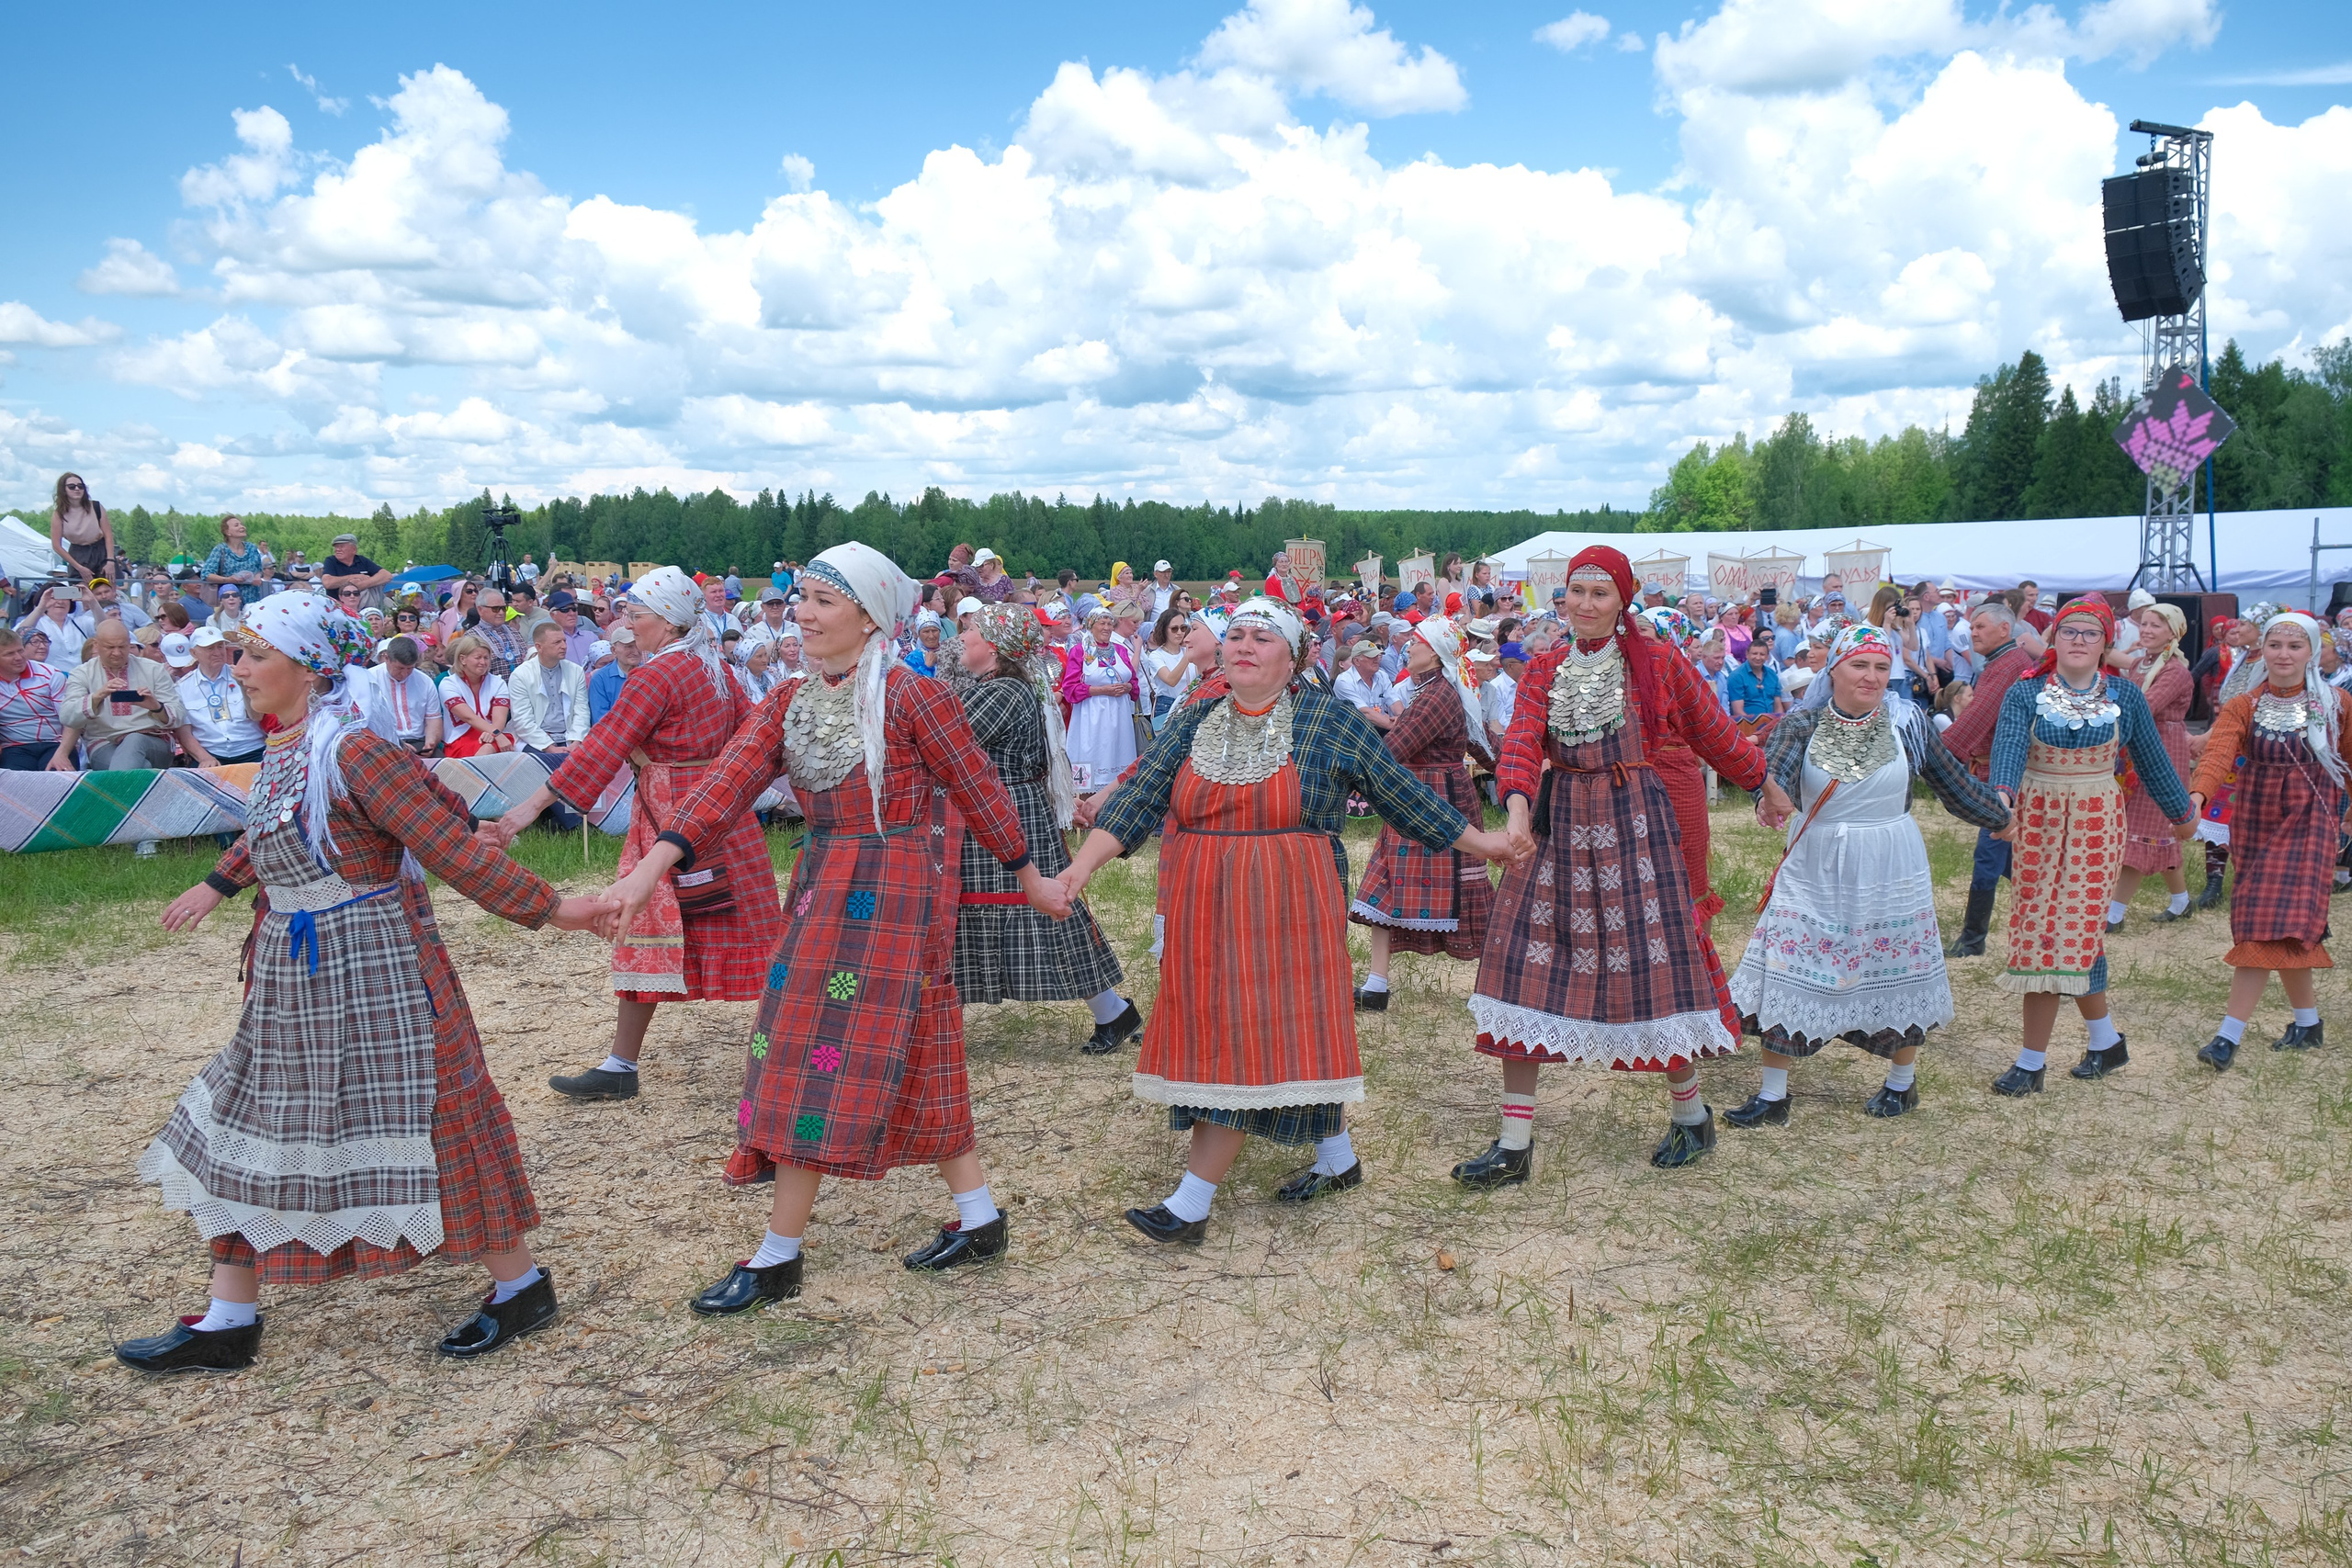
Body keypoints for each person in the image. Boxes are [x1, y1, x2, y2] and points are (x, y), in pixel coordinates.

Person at [119, 592, 613, 1372]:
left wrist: (560, 909)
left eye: (254, 654)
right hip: (296, 972)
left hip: (378, 968)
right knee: (254, 1118)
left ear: (306, 667)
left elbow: (442, 840)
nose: (238, 667)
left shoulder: (351, 750)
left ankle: (520, 1285)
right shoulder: (289, 747)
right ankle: (228, 1315)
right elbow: (281, 829)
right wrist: (218, 883)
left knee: (439, 1116)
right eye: (240, 654)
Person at [597, 543, 1066, 1312]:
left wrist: (1031, 877)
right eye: (803, 597)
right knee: (908, 1043)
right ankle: (979, 1217)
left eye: (822, 600)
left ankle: (780, 1253)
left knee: (806, 1049)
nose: (803, 614)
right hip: (823, 886)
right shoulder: (788, 699)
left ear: (869, 614)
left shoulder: (914, 698)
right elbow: (724, 788)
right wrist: (647, 871)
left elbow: (980, 793)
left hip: (902, 888)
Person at [1057, 597, 1517, 1238]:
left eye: (1262, 638)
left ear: (1296, 655)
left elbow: (1406, 798)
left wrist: (1487, 842)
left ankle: (1192, 1201)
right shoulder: (1197, 719)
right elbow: (1138, 797)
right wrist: (1079, 871)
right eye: (1236, 635)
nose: (1244, 645)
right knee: (1279, 1033)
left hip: (1289, 904)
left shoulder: (1331, 722)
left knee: (1250, 1038)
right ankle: (1338, 1157)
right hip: (1204, 906)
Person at [1453, 547, 1792, 1183]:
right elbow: (1523, 743)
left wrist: (1763, 782)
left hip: (1635, 825)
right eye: (1576, 590)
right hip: (1558, 830)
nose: (1584, 603)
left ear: (1623, 600)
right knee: (1521, 967)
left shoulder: (1659, 662)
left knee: (1654, 972)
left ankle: (1692, 1115)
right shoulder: (1545, 666)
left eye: (1599, 593)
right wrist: (1518, 816)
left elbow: (1714, 731)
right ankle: (1514, 1141)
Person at [486, 566, 783, 1100]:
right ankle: (790, 1051)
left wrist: (522, 812)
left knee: (643, 927)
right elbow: (754, 733)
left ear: (667, 622)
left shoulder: (658, 675)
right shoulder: (710, 663)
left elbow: (605, 745)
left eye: (636, 614)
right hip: (722, 810)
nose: (626, 622)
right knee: (754, 931)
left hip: (672, 814)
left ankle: (628, 1064)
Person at [1725, 626, 2010, 1126]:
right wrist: (1768, 801)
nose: (1872, 677)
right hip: (1816, 861)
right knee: (1790, 961)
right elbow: (1778, 776)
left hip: (1890, 862)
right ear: (1832, 668)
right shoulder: (1803, 724)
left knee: (1892, 967)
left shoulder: (1909, 723)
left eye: (1882, 668)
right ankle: (1773, 1096)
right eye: (1859, 665)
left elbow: (1954, 783)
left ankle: (1902, 1085)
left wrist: (2000, 816)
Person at [1984, 597, 2195, 1095]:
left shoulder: (2125, 694)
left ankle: (2031, 1063)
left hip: (2097, 822)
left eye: (2090, 633)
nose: (2079, 640)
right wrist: (2002, 800)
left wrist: (2184, 817)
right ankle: (2105, 1042)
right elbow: (2010, 746)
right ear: (2053, 638)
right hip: (2037, 819)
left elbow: (2154, 761)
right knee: (2044, 930)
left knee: (2071, 930)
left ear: (2106, 644)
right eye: (2069, 631)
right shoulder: (2026, 692)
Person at [951, 602, 1139, 1051]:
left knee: (1045, 911)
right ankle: (1113, 1011)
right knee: (977, 914)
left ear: (994, 647)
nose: (960, 637)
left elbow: (945, 738)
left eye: (971, 632)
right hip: (999, 811)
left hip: (1006, 813)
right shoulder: (999, 687)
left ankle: (1113, 1012)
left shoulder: (1003, 694)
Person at [2187, 612, 2352, 1069]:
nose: (2283, 654)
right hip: (2257, 817)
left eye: (2294, 646)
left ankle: (2227, 1037)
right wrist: (2198, 796)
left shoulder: (2336, 703)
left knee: (2264, 918)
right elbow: (2220, 749)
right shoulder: (2245, 704)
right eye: (2276, 645)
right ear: (2265, 649)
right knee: (2284, 927)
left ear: (2312, 652)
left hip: (2312, 816)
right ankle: (2308, 1021)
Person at [1350, 616, 1496, 1007]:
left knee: (1466, 896)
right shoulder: (1434, 690)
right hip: (1418, 798)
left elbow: (1394, 747)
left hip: (1436, 800)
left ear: (1433, 652)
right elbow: (1482, 746)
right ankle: (1376, 985)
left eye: (1415, 641)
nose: (1408, 647)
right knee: (1383, 885)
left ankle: (1498, 985)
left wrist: (1346, 775)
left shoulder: (1437, 696)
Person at [1939, 600, 2038, 957]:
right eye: (1972, 626)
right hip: (1999, 767)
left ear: (2004, 630)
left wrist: (1932, 752)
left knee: (1989, 852)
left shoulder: (2008, 665)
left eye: (1980, 626)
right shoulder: (2002, 662)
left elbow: (1978, 718)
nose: (1973, 631)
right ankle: (2054, 914)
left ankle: (1973, 940)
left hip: (2007, 772)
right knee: (2012, 858)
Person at [2109, 603, 2196, 930]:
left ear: (2173, 632)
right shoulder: (2142, 664)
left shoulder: (2175, 670)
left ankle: (2113, 913)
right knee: (2160, 833)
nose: (2146, 630)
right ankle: (2181, 901)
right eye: (2144, 624)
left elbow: (2146, 705)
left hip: (2163, 752)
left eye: (2156, 625)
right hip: (2138, 748)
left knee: (2141, 830)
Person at [52, 620, 215, 773]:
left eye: (123, 647)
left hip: (153, 741)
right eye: (110, 647)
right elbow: (67, 716)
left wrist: (156, 707)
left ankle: (118, 800)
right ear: (97, 645)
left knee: (134, 740)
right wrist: (97, 696)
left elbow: (179, 716)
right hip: (104, 743)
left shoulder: (153, 669)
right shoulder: (82, 673)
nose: (117, 653)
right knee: (140, 768)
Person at [1061, 607, 1140, 790]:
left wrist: (1127, 687)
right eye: (1102, 623)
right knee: (1091, 760)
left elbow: (1134, 682)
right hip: (1091, 718)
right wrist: (1102, 690)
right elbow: (1070, 689)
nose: (1107, 628)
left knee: (1118, 758)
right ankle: (1085, 802)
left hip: (1119, 719)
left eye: (1110, 623)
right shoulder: (1080, 651)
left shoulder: (1120, 650)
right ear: (1091, 625)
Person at [175, 628, 265, 765]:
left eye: (220, 646)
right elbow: (184, 733)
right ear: (194, 653)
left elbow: (257, 716)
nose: (217, 652)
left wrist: (243, 687)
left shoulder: (242, 677)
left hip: (252, 749)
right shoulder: (182, 687)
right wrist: (204, 758)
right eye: (210, 648)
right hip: (211, 753)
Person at [360, 635, 444, 754]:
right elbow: (364, 723)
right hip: (383, 743)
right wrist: (396, 743)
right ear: (387, 658)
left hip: (419, 742)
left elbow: (433, 719)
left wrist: (430, 743)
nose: (404, 673)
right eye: (399, 668)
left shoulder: (425, 682)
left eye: (409, 668)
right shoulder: (369, 679)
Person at [436, 635, 514, 759]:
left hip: (493, 736)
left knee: (492, 746)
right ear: (463, 659)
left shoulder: (498, 682)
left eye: (486, 658)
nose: (483, 662)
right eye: (478, 658)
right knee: (490, 748)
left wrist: (494, 734)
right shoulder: (448, 684)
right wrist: (497, 734)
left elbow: (500, 719)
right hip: (460, 739)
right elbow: (469, 717)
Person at [0, 628, 67, 771]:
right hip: (14, 747)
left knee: (55, 780)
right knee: (14, 785)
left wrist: (63, 752)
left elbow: (70, 720)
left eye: (20, 650)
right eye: (10, 654)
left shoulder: (51, 675)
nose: (18, 657)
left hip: (56, 743)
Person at [49, 472, 114, 583]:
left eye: (81, 486)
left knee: (106, 591)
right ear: (63, 490)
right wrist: (78, 567)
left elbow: (108, 536)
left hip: (101, 550)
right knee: (80, 592)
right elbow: (56, 546)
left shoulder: (96, 507)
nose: (77, 489)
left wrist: (110, 561)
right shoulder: (59, 514)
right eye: (72, 487)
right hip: (78, 554)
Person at [1332, 639, 1398, 731]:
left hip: (1381, 727)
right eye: (1371, 656)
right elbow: (1365, 713)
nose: (1377, 659)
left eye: (1378, 656)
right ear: (1356, 661)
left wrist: (1401, 719)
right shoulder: (1344, 681)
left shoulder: (1382, 675)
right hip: (1355, 732)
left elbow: (1394, 701)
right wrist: (1397, 726)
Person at [587, 625, 639, 725]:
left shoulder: (648, 673)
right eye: (629, 646)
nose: (636, 652)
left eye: (638, 645)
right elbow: (601, 720)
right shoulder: (600, 678)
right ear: (614, 651)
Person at [202, 516, 269, 591]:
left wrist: (257, 576)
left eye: (242, 524)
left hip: (253, 597)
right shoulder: (220, 549)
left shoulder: (252, 548)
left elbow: (259, 569)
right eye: (236, 525)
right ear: (227, 532)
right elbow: (206, 574)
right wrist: (228, 580)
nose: (242, 527)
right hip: (229, 597)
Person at [469, 588, 524, 676]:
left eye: (503, 608)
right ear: (480, 610)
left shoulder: (514, 632)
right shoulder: (471, 637)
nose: (501, 612)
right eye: (495, 609)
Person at [318, 534, 391, 596]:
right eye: (336, 547)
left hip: (363, 606)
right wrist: (355, 577)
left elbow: (386, 576)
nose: (337, 549)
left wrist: (362, 584)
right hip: (337, 607)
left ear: (354, 550)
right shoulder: (331, 561)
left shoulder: (362, 560)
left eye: (341, 546)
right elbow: (327, 583)